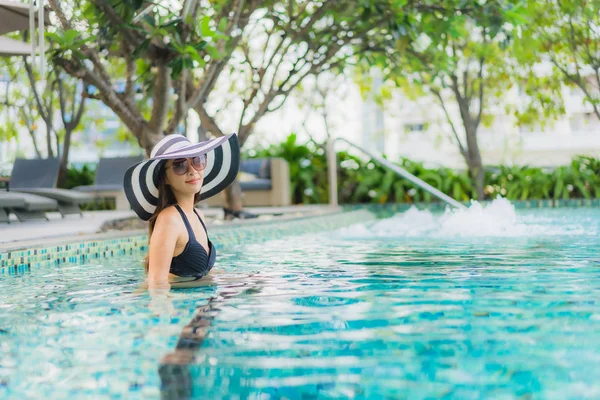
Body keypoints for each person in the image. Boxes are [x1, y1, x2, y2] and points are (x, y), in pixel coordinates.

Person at [123, 132, 240, 290]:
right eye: (180, 165)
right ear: (165, 178)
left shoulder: (198, 215)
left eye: (197, 160)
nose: (192, 170)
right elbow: (157, 282)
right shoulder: (169, 220)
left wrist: (244, 279)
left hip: (201, 304)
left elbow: (204, 273)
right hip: (183, 308)